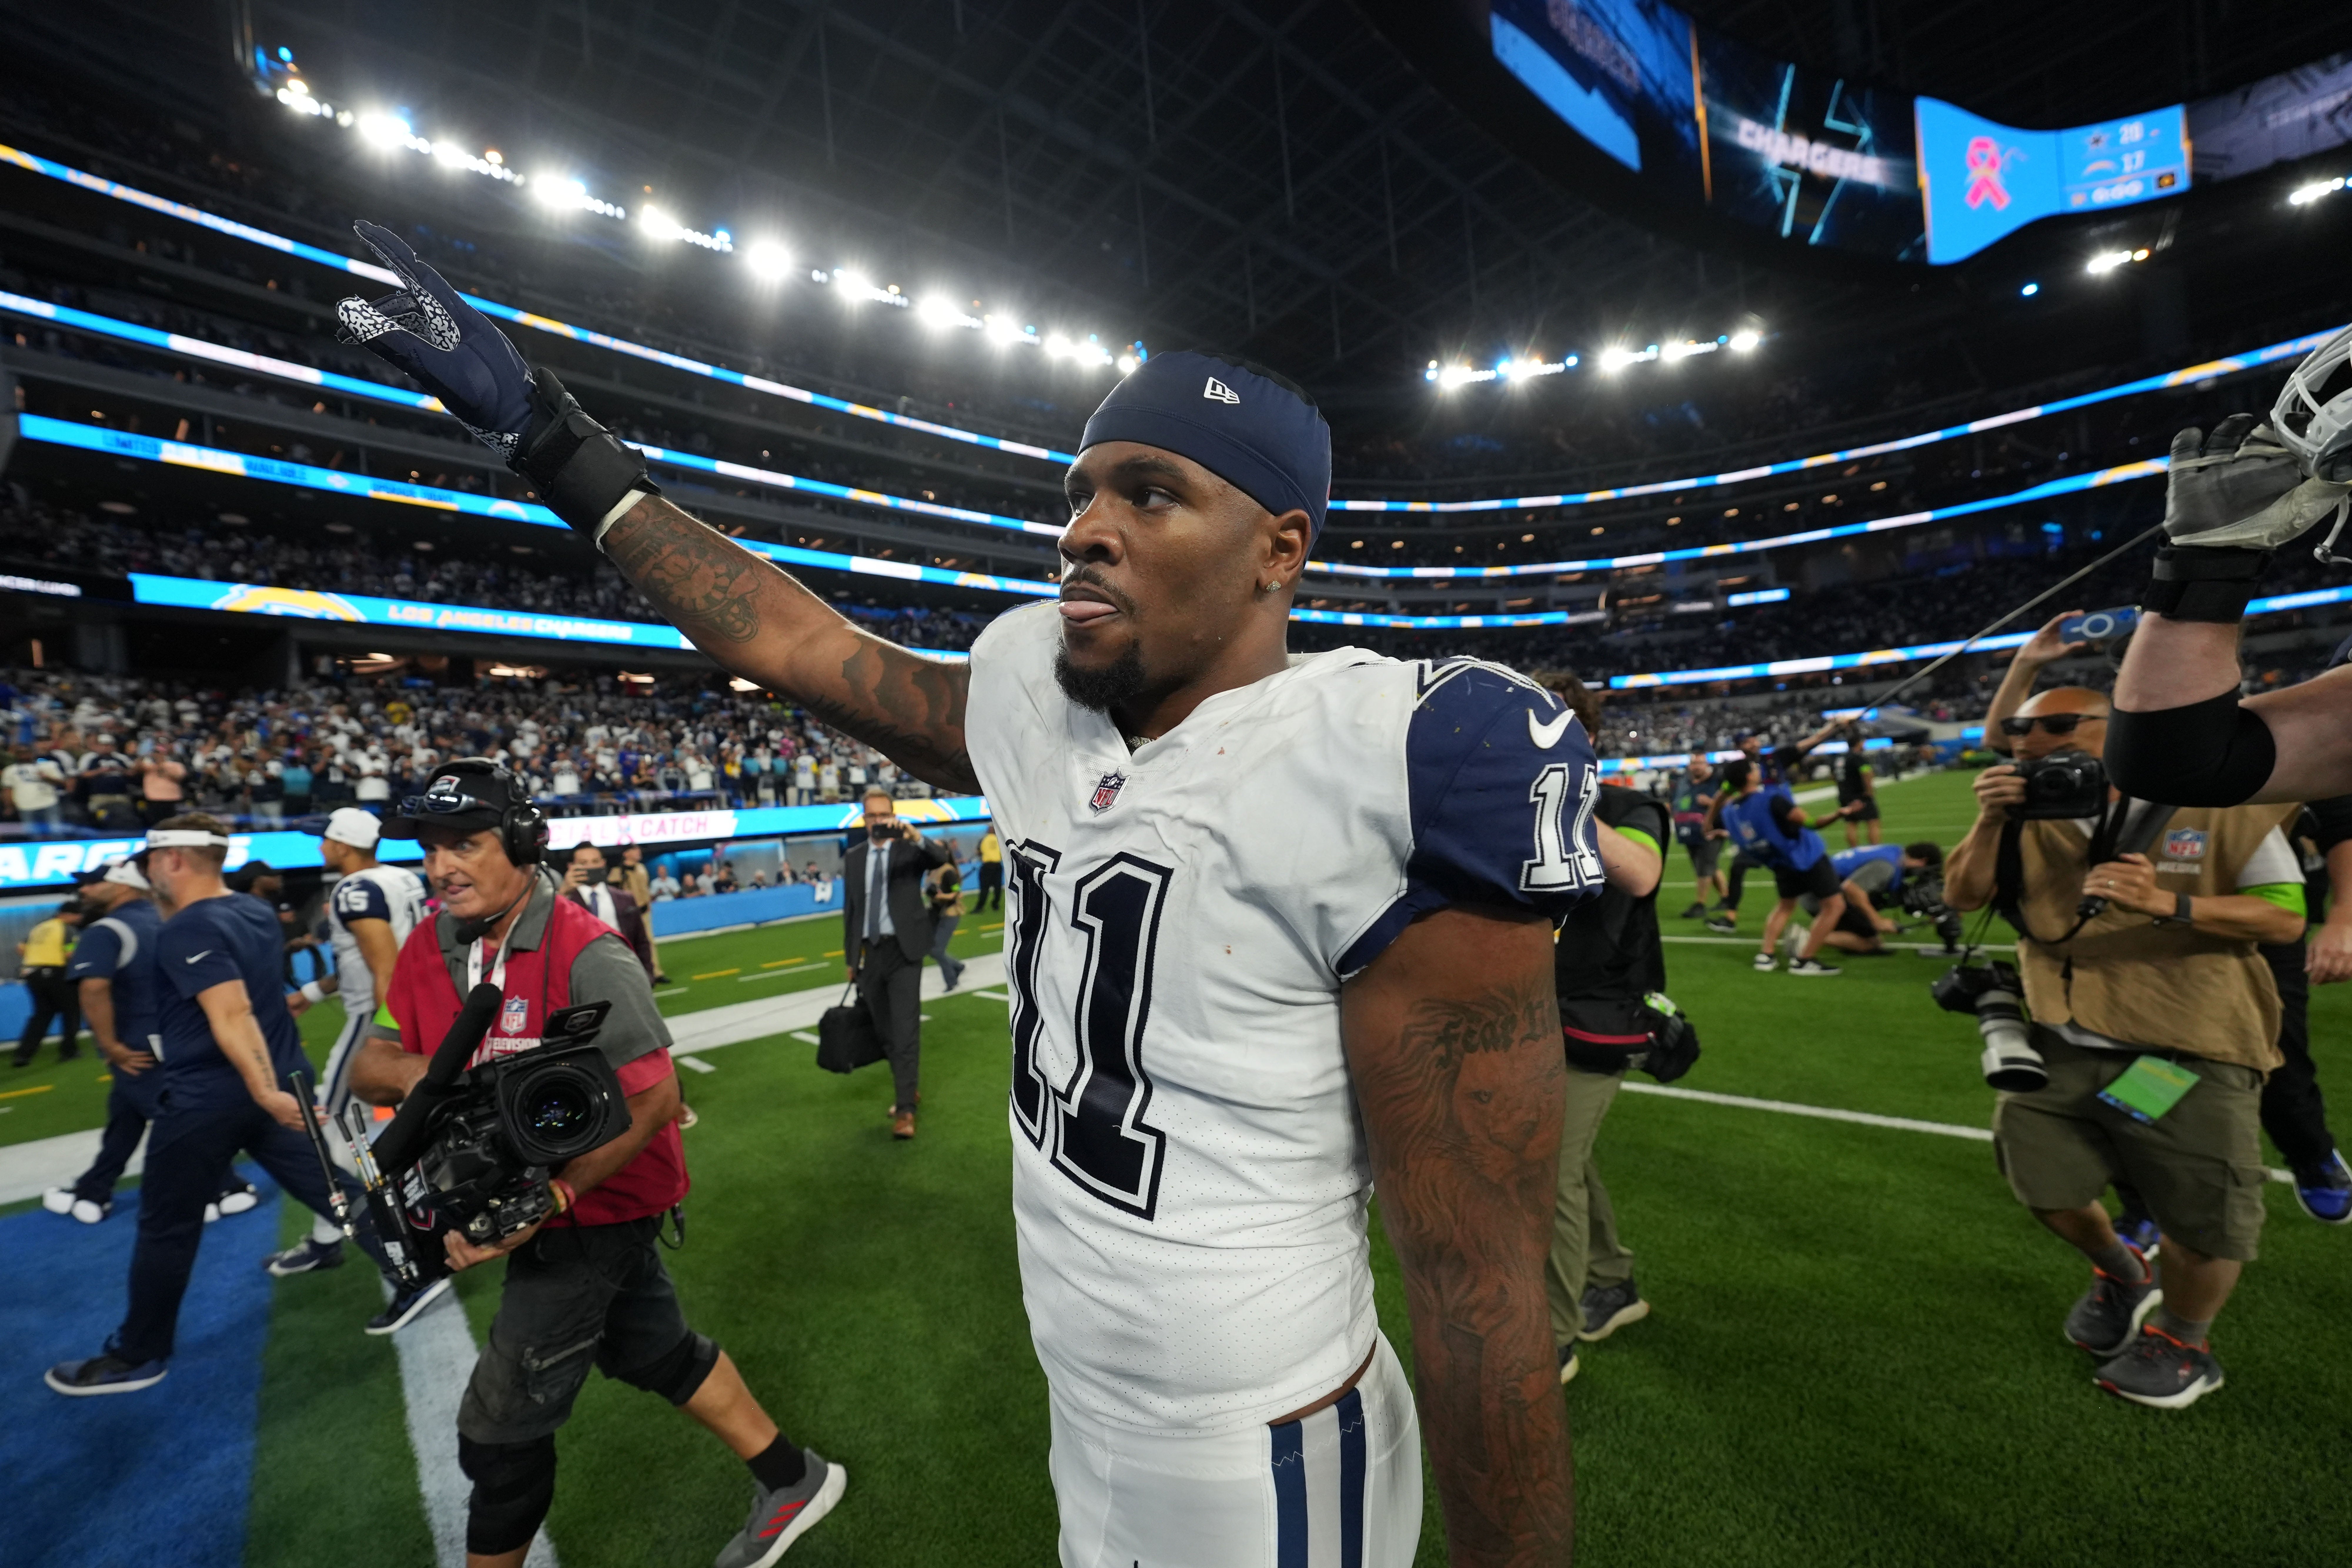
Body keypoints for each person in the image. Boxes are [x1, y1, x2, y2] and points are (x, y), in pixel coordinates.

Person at [349, 233, 1598, 1563]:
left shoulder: (1398, 762)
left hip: (1269, 1441)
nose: (1083, 529)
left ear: (1275, 550)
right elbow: (794, 638)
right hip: (1089, 1402)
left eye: (1150, 494)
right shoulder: (1032, 698)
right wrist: (549, 435)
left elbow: (1480, 1298)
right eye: (1080, 494)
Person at [348, 761, 842, 1568]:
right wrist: (427, 1077)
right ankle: (793, 1477)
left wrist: (555, 1192)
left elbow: (655, 1097)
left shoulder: (589, 952)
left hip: (598, 1202)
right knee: (654, 1350)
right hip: (520, 1194)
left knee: (499, 1433)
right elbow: (376, 1055)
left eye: (465, 843)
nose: (441, 867)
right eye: (431, 848)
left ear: (518, 841)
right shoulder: (430, 939)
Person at [1943, 686, 2306, 1408]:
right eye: (2021, 727)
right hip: (2063, 1037)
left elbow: (2283, 918)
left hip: (2185, 1044)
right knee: (2042, 1183)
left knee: (2200, 1209)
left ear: (2120, 733)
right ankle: (2119, 1269)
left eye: (2059, 725)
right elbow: (1963, 893)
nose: (2034, 739)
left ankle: (2183, 1341)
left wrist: (2171, 904)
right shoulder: (2021, 814)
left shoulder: (2213, 803)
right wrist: (1990, 821)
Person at [44, 816, 402, 1397]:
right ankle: (414, 1265)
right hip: (273, 1083)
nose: (147, 870)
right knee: (333, 1189)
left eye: (152, 860)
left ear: (175, 861)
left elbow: (232, 1012)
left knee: (166, 1226)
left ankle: (139, 1353)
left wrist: (261, 1090)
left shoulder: (190, 924)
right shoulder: (253, 910)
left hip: (213, 1095)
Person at [1542, 677, 1669, 1386]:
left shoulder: (1627, 806)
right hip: (1530, 1013)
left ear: (1586, 739)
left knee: (1552, 1170)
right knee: (1571, 1161)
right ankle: (1613, 1281)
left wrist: (1560, 800)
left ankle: (1555, 1336)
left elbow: (1644, 875)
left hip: (1598, 1017)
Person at [42, 861, 258, 1225]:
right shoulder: (171, 921)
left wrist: (110, 1046)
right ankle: (93, 1190)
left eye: (94, 884)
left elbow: (94, 988)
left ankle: (225, 1187)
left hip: (136, 1049)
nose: (85, 891)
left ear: (123, 886)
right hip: (180, 1040)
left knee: (178, 1122)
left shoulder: (107, 930)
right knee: (125, 1121)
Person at [267, 807, 430, 1276]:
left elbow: (385, 966)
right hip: (402, 1009)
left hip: (378, 1018)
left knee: (324, 1127)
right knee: (358, 1127)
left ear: (342, 843)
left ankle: (347, 1235)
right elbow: (371, 961)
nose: (321, 847)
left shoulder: (356, 888)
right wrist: (312, 992)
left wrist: (388, 1036)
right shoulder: (398, 879)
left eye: (326, 840)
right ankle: (336, 1232)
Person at [841, 790, 952, 1138]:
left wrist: (915, 835)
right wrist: (850, 958)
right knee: (886, 1032)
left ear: (893, 815)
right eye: (872, 816)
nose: (879, 821)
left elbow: (940, 860)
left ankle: (906, 1109)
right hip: (870, 955)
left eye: (884, 814)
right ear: (864, 819)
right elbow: (851, 910)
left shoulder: (908, 849)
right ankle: (908, 1086)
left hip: (905, 953)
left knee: (905, 1031)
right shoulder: (854, 857)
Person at [2280, 795, 2352, 1222]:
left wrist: (2344, 916)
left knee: (2279, 1059)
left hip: (2264, 916)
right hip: (2133, 920)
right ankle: (2142, 1205)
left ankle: (2312, 1154)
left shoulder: (2277, 732)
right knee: (2148, 1055)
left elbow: (2342, 823)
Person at [1702, 721, 1845, 934]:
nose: (1752, 744)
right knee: (1740, 868)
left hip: (1789, 830)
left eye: (1753, 740)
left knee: (1808, 877)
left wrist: (1834, 727)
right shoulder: (1739, 773)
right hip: (1764, 833)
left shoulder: (1775, 759)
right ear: (1739, 748)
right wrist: (1708, 823)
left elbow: (1812, 742)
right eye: (1746, 742)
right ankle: (1731, 917)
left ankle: (1833, 915)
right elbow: (1720, 797)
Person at [1719, 759, 1858, 975]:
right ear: (1749, 777)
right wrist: (1839, 814)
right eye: (1754, 768)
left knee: (1785, 906)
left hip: (1778, 861)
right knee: (1834, 906)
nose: (1759, 770)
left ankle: (1766, 955)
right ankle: (1805, 960)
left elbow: (1715, 822)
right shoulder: (1771, 799)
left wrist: (1726, 789)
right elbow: (1811, 823)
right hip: (1806, 856)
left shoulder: (1729, 811)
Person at [1797, 842, 1946, 956]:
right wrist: (1877, 921)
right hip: (1818, 898)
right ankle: (1806, 939)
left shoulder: (1895, 853)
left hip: (1819, 891)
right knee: (1871, 943)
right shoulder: (1886, 866)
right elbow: (1852, 889)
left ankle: (1832, 928)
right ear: (1922, 861)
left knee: (1876, 902)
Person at [561, 843, 660, 982]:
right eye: (584, 863)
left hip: (626, 974)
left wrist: (648, 975)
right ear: (571, 867)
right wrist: (563, 892)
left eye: (595, 862)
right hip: (585, 979)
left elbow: (641, 942)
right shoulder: (564, 903)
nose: (591, 867)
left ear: (603, 863)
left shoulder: (625, 899)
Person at [14, 897, 83, 1066]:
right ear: (69, 915)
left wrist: (37, 960)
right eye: (79, 915)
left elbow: (21, 948)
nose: (80, 919)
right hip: (56, 971)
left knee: (43, 1013)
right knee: (72, 1010)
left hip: (31, 972)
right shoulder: (67, 929)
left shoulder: (40, 927)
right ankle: (69, 1051)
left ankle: (23, 1055)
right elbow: (70, 954)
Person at [1666, 758, 1726, 919]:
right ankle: (1726, 899)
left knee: (1705, 866)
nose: (1696, 767)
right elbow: (1678, 802)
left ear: (1707, 766)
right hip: (1690, 830)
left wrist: (1711, 803)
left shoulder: (1718, 781)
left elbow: (1731, 802)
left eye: (1700, 763)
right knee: (1710, 866)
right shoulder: (1685, 783)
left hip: (1713, 830)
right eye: (1694, 763)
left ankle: (1700, 904)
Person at [3, 745, 66, 835]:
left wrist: (47, 778)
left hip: (49, 803)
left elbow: (63, 783)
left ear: (33, 753)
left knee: (56, 833)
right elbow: (8, 790)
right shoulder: (10, 771)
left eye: (27, 753)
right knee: (33, 835)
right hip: (25, 807)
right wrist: (9, 806)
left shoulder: (48, 765)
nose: (24, 756)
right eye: (21, 753)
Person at [925, 854, 966, 992]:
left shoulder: (948, 871)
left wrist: (942, 896)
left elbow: (958, 892)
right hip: (935, 913)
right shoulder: (931, 870)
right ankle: (958, 966)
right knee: (932, 949)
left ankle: (951, 981)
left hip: (950, 913)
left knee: (936, 950)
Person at [1836, 732, 1882, 847]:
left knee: (1851, 823)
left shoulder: (1841, 758)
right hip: (1859, 795)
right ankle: (1875, 848)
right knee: (1873, 821)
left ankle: (1854, 850)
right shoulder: (1857, 757)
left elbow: (1835, 776)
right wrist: (1870, 791)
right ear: (1859, 743)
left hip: (1844, 795)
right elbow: (1867, 773)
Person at [973, 826, 1003, 912]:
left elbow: (978, 852)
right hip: (998, 866)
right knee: (998, 888)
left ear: (988, 831)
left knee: (984, 888)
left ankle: (980, 907)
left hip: (987, 866)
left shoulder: (984, 840)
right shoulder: (1000, 839)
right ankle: (995, 905)